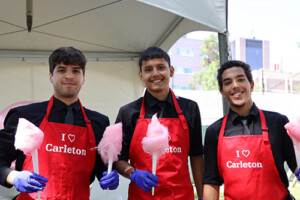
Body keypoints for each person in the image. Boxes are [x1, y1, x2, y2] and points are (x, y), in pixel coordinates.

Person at [0, 47, 119, 200]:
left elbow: (101, 168)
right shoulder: (24, 116)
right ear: (51, 76)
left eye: (76, 71)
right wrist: (14, 177)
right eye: (62, 70)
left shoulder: (99, 122)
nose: (69, 76)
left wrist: (109, 175)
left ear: (83, 78)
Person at [114, 47, 204, 199]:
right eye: (148, 69)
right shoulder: (129, 112)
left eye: (161, 67)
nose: (155, 74)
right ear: (141, 75)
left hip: (181, 195)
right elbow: (118, 159)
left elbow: (196, 154)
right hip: (142, 195)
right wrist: (133, 173)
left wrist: (202, 196)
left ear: (171, 71)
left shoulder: (190, 108)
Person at [203, 60, 299, 200]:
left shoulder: (278, 123)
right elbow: (211, 181)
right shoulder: (214, 131)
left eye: (240, 79)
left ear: (252, 85)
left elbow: (296, 165)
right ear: (222, 92)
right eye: (228, 82)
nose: (235, 85)